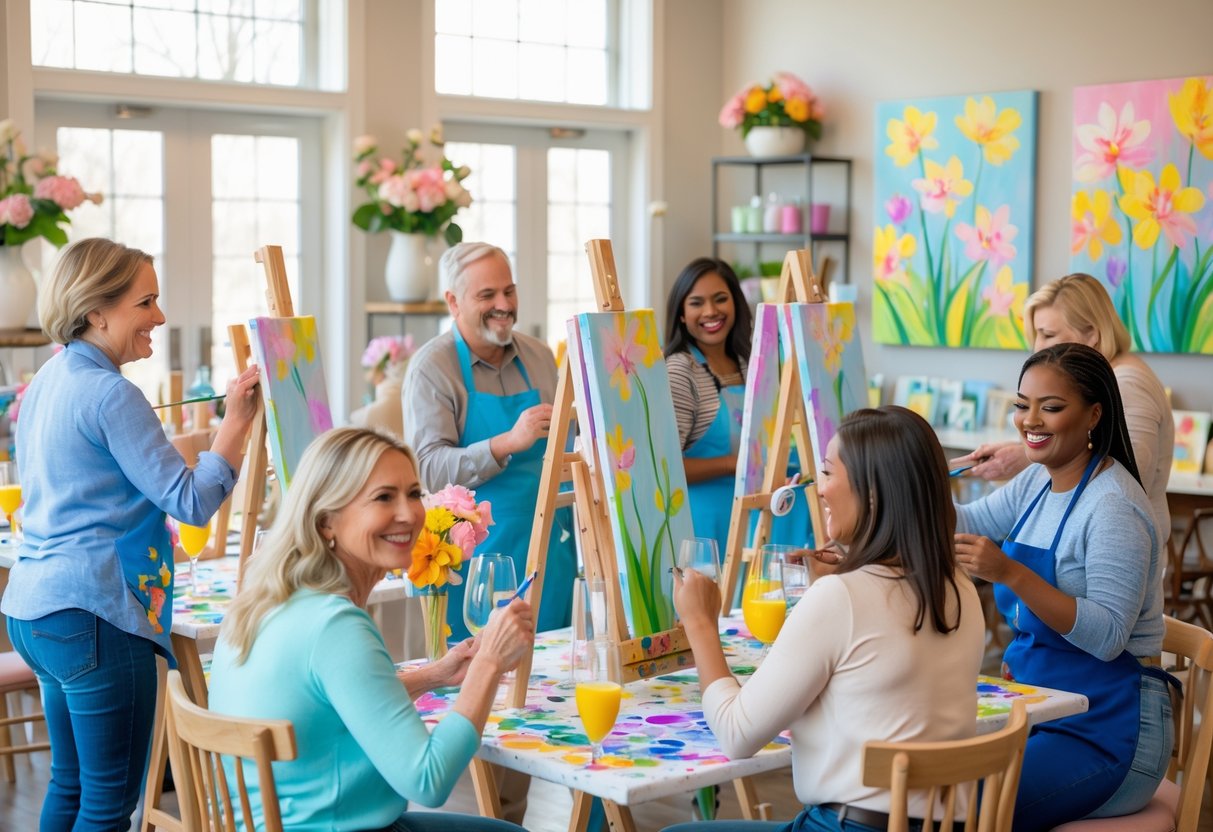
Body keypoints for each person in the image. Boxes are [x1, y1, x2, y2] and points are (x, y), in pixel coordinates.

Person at [2, 237, 261, 831]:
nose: (160, 318)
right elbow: (192, 503)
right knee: (110, 804)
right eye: (146, 302)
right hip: (92, 613)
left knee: (69, 786)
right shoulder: (113, 394)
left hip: (34, 612)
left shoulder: (45, 380)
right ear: (98, 311)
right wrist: (238, 425)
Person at [664, 406, 985, 832]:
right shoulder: (957, 585)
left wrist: (700, 623)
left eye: (828, 474)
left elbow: (736, 734)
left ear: (872, 495)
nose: (819, 490)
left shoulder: (840, 598)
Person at [208, 427, 532, 832]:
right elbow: (428, 781)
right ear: (327, 521)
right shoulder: (336, 625)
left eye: (414, 493)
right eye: (383, 497)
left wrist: (436, 675)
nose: (409, 513)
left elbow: (333, 702)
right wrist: (488, 663)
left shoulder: (264, 600)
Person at [954, 343, 1172, 830]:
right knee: (938, 785)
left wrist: (1010, 573)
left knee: (969, 807)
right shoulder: (1037, 481)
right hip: (1040, 709)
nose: (1030, 420)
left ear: (1094, 413)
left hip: (1108, 731)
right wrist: (907, 476)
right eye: (1021, 405)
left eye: (1051, 407)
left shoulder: (1113, 505)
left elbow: (1110, 635)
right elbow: (968, 521)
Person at [402, 242, 575, 641]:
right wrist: (506, 442)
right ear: (453, 302)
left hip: (551, 552)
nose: (504, 304)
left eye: (509, 291)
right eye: (487, 295)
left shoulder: (540, 356)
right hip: (477, 563)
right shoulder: (432, 368)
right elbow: (427, 469)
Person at [953, 273, 1173, 542]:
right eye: (1036, 335)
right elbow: (973, 521)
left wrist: (1027, 456)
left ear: (1091, 333)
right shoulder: (1035, 479)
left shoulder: (1127, 383)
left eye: (1047, 335)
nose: (1037, 347)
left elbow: (1131, 472)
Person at [664, 257, 809, 556]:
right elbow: (667, 466)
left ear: (736, 304)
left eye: (720, 299)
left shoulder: (750, 362)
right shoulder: (679, 370)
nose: (710, 312)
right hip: (703, 528)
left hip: (754, 518)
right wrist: (736, 464)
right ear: (681, 314)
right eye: (696, 303)